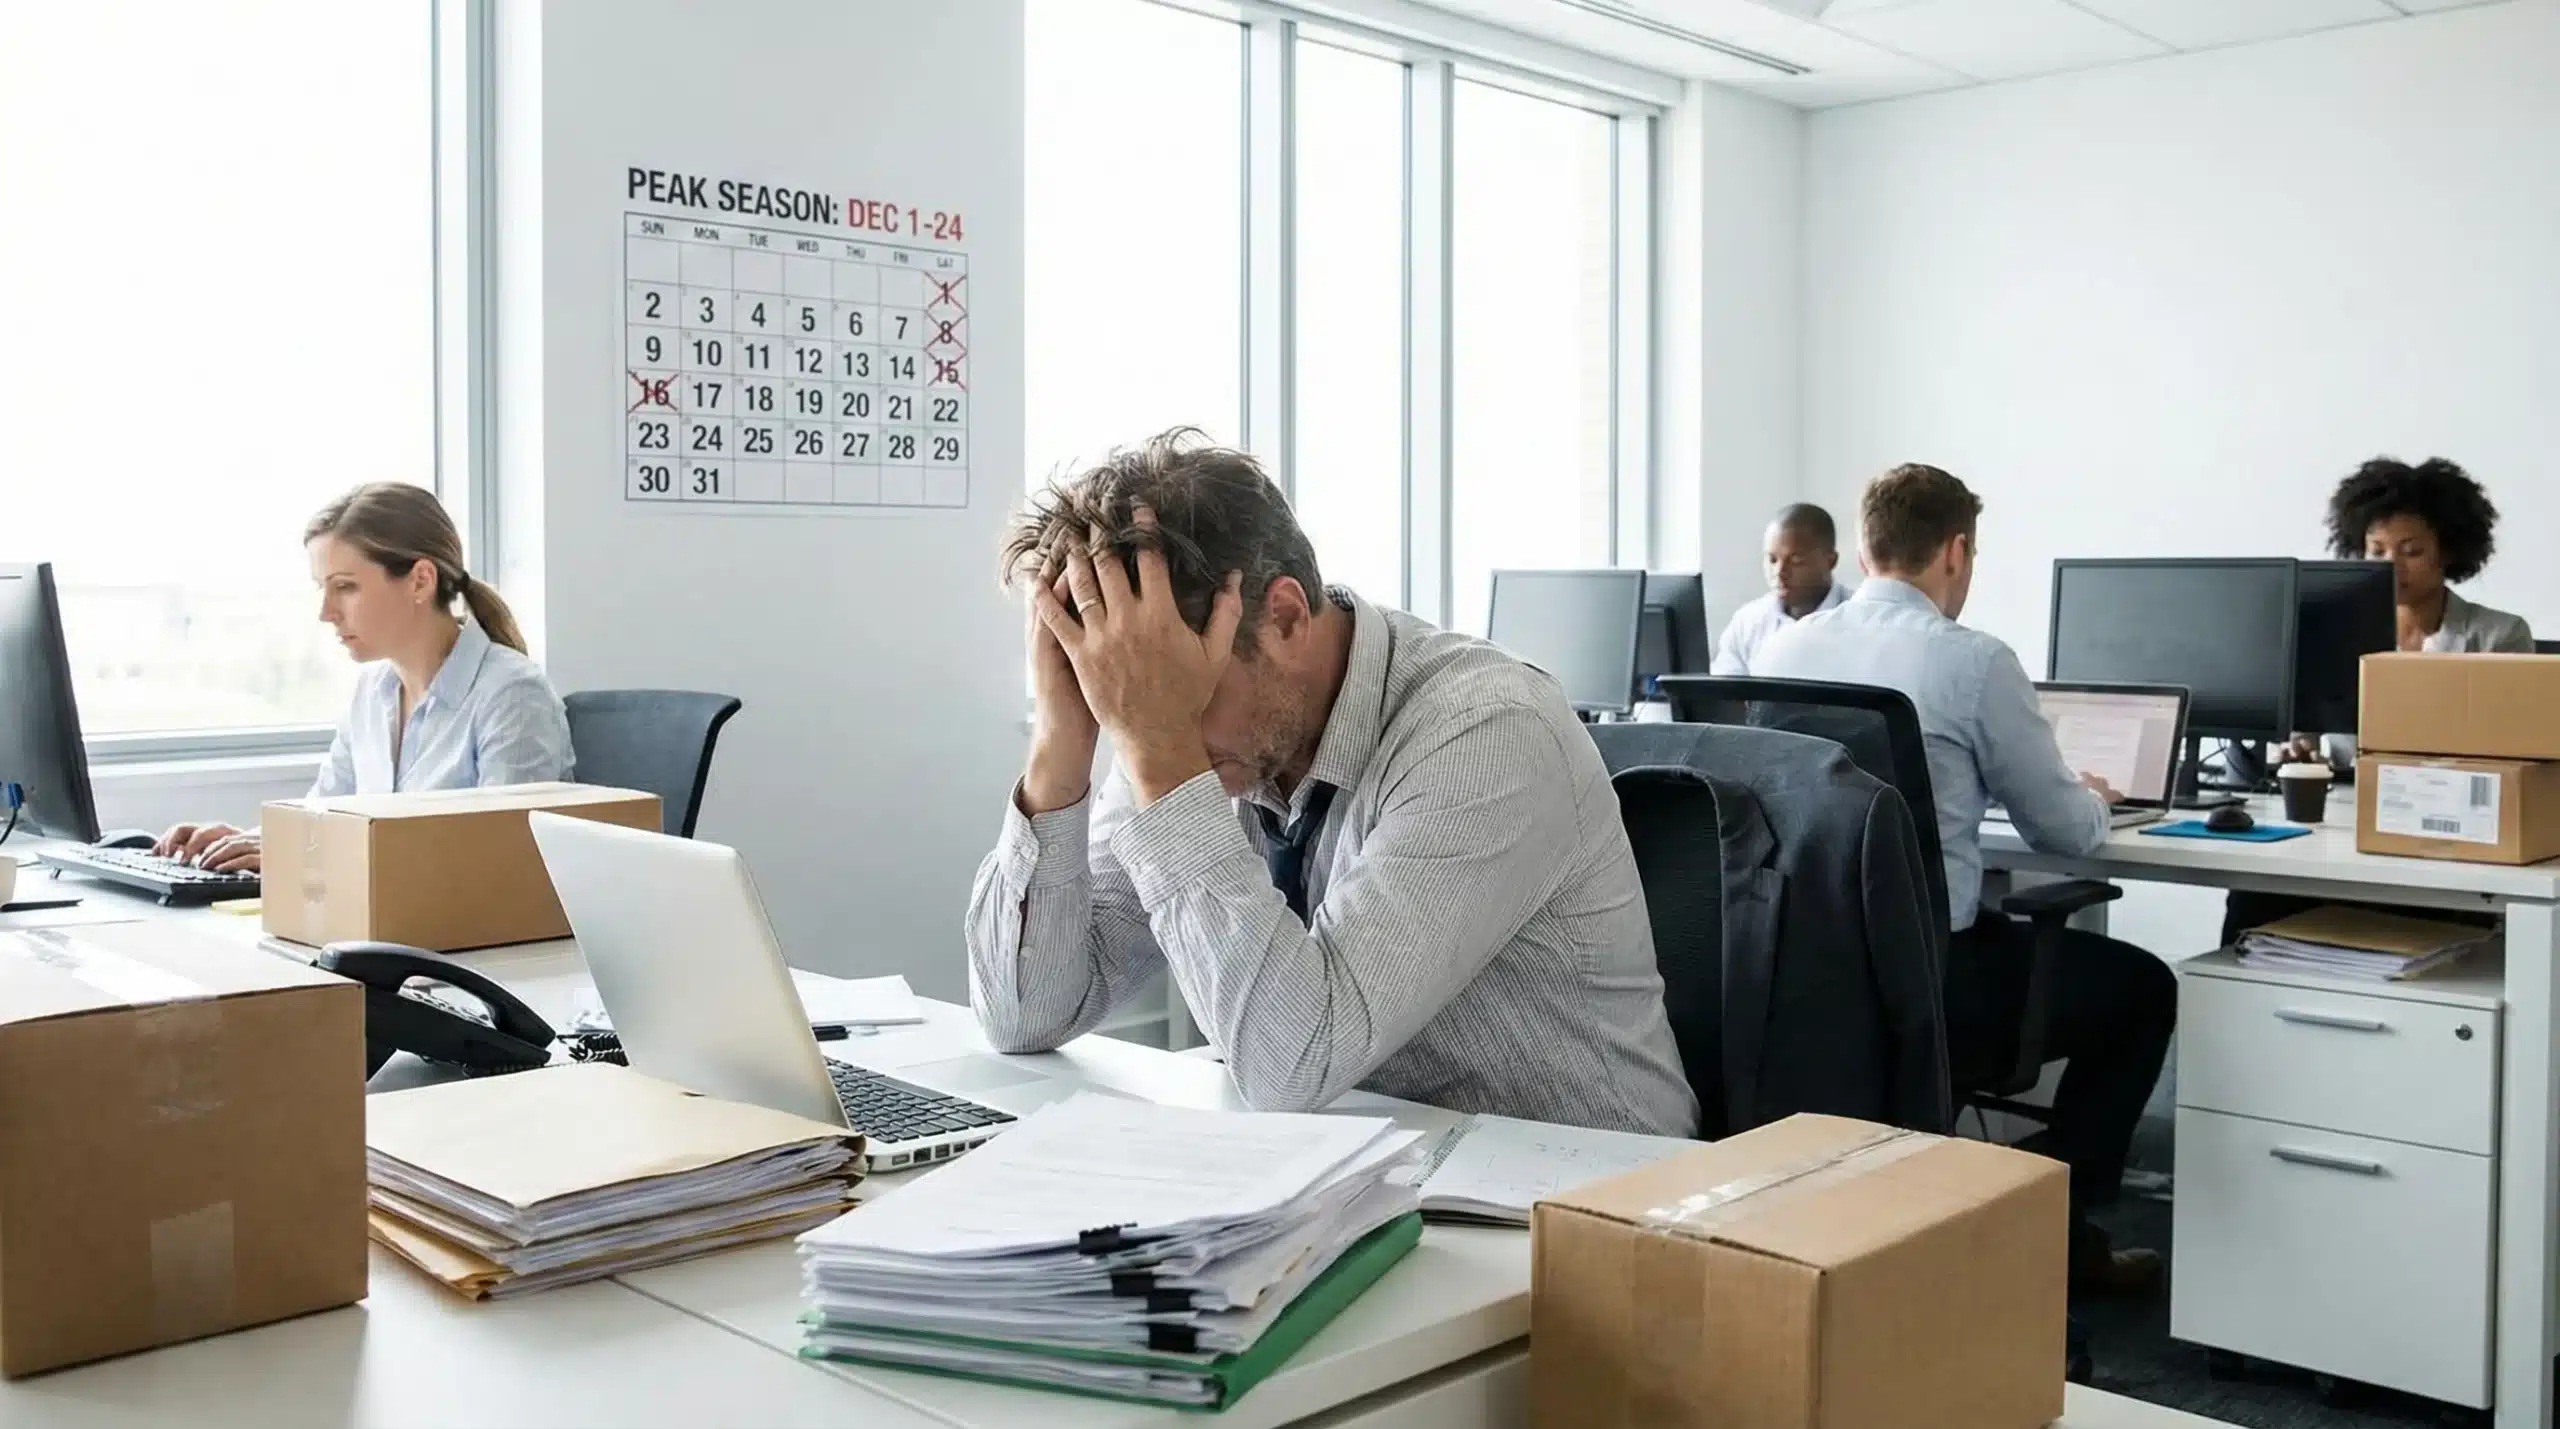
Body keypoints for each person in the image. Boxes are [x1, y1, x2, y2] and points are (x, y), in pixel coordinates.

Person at [965, 430, 1696, 1136]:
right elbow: (1025, 1016)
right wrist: (1061, 744)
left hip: (1582, 1190)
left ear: (1284, 617)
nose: (1154, 721)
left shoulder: (1489, 731)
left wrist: (1161, 743)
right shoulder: (1175, 727)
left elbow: (1294, 1061)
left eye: (1183, 693)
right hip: (1365, 1171)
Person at [1753, 463, 2176, 1294]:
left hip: (1808, 973)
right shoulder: (1972, 661)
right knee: (2143, 991)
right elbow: (2063, 831)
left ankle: (1978, 1211)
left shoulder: (1780, 648)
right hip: (1931, 978)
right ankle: (2058, 1237)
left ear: (1864, 551)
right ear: (1955, 551)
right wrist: (2094, 796)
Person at [154, 483, 573, 873]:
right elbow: (322, 822)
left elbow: (504, 858)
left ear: (421, 581)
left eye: (346, 587)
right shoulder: (372, 693)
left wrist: (303, 855)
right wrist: (247, 842)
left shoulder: (513, 695)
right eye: (322, 588)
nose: (326, 612)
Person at [1709, 502, 1847, 675]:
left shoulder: (1860, 621)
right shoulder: (1747, 623)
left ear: (1831, 561)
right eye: (1772, 560)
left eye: (1796, 561)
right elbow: (1723, 688)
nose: (1779, 572)